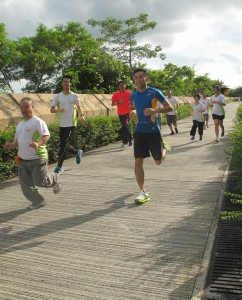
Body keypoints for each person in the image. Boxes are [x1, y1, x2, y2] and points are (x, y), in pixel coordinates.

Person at [4, 97, 61, 210]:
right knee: (25, 186)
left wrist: (38, 143)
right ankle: (39, 201)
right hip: (23, 160)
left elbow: (46, 135)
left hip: (37, 158)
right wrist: (11, 145)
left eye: (27, 107)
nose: (24, 109)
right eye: (22, 107)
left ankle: (54, 179)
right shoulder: (20, 125)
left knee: (41, 182)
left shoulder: (38, 122)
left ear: (32, 107)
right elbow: (17, 141)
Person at [130, 68, 173, 204]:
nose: (138, 79)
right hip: (139, 131)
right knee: (138, 161)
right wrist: (134, 112)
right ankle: (143, 192)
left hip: (153, 130)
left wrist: (155, 110)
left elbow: (170, 108)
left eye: (141, 77)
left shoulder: (154, 92)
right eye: (136, 77)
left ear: (146, 78)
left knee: (158, 161)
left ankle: (164, 148)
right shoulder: (133, 95)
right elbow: (135, 107)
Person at [50, 75, 85, 174]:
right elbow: (51, 109)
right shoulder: (58, 96)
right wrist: (58, 110)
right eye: (64, 81)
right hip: (62, 123)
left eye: (68, 81)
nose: (66, 83)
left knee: (63, 146)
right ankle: (77, 152)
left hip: (71, 123)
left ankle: (59, 167)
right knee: (63, 144)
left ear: (70, 83)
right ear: (62, 83)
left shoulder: (74, 96)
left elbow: (78, 107)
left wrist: (82, 115)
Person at [111, 80, 132, 147]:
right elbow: (112, 103)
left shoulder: (129, 93)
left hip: (127, 112)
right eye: (120, 85)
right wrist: (119, 102)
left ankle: (125, 142)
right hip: (120, 113)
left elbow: (133, 103)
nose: (121, 86)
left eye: (123, 85)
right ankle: (130, 140)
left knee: (124, 126)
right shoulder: (116, 94)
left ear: (125, 85)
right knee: (125, 126)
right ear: (118, 86)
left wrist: (132, 111)